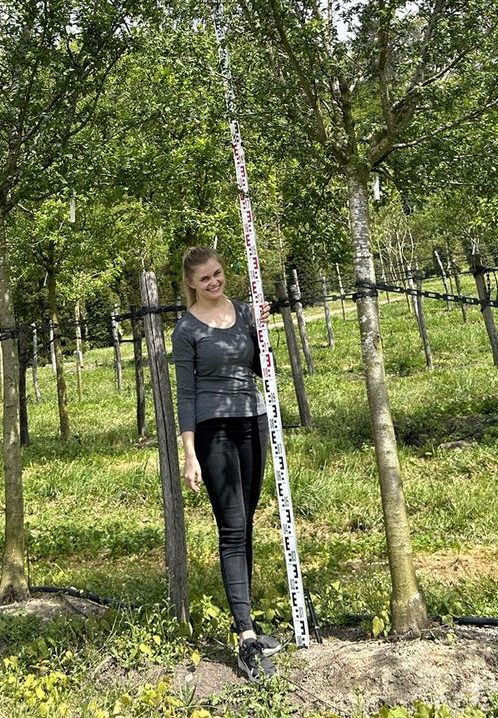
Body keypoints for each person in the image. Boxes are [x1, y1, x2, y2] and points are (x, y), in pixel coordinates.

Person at [171, 245, 281, 682]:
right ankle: (246, 636)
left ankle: (247, 618)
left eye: (217, 274)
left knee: (248, 523)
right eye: (204, 279)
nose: (213, 282)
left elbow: (258, 367)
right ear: (191, 285)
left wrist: (260, 331)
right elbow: (186, 395)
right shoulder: (185, 330)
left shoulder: (244, 311)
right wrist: (189, 454)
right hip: (214, 430)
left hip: (253, 421)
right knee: (232, 529)